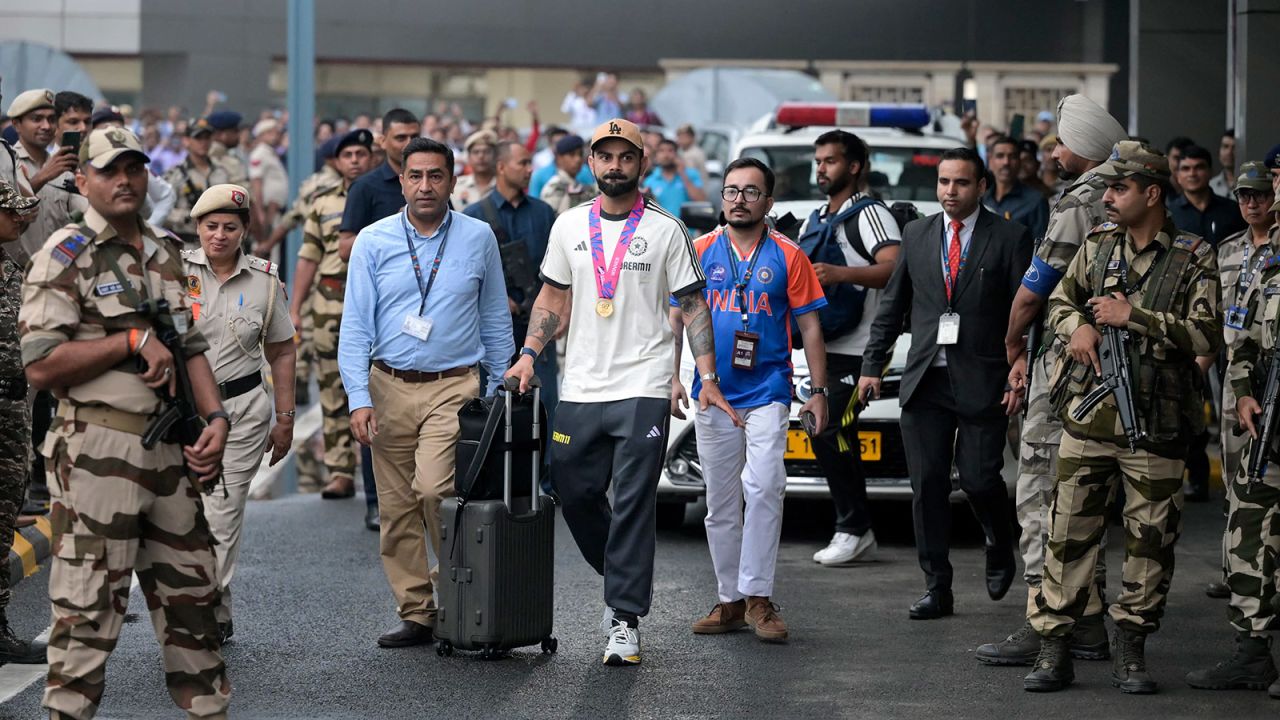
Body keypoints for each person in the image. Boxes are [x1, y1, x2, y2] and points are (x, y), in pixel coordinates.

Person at [506, 118, 738, 667]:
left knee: (633, 500)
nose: (615, 166)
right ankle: (624, 575)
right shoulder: (568, 226)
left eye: (625, 157)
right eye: (605, 157)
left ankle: (624, 619)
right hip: (582, 384)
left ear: (641, 164)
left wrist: (706, 378)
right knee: (572, 489)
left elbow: (693, 305)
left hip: (645, 383)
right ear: (592, 164)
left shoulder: (666, 229)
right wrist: (528, 355)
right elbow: (551, 299)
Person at [20, 126, 231, 719]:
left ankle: (208, 710)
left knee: (195, 601)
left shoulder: (165, 249)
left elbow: (189, 347)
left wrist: (214, 418)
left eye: (134, 168)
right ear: (82, 180)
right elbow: (40, 363)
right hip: (96, 452)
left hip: (171, 451)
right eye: (110, 170)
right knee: (89, 611)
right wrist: (128, 340)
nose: (124, 180)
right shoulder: (66, 253)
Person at [1022, 141, 1221, 694]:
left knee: (1150, 542)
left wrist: (1136, 317)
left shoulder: (1193, 255)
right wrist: (1075, 327)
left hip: (1155, 427)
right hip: (1088, 422)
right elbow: (1060, 301)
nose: (1107, 197)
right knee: (1066, 535)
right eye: (1108, 187)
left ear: (1151, 193)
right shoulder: (1098, 244)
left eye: (1119, 189)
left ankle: (1130, 648)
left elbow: (1208, 334)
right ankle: (1053, 646)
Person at [339, 136, 513, 649]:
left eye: (435, 175)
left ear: (452, 181)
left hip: (453, 387)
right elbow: (355, 326)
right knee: (394, 510)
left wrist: (501, 389)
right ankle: (417, 612)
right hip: (387, 385)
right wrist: (358, 398)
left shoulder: (478, 237)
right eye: (415, 176)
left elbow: (495, 318)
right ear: (401, 181)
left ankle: (456, 595)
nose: (425, 186)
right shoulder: (372, 240)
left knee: (436, 491)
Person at [984, 93, 1128, 666]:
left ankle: (1047, 623)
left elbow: (1033, 290)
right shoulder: (1124, 196)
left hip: (1066, 362)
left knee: (1041, 492)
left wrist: (1013, 342)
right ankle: (1086, 621)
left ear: (1083, 149)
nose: (1054, 151)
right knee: (1084, 495)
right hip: (1106, 364)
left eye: (1062, 141)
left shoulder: (1079, 202)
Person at [858, 147, 1031, 620]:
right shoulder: (917, 234)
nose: (949, 192)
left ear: (980, 187)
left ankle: (998, 541)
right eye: (943, 183)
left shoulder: (1011, 237)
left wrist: (1021, 365)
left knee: (978, 480)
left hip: (983, 376)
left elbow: (1027, 309)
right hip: (924, 380)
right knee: (927, 485)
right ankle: (937, 586)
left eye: (960, 183)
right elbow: (892, 306)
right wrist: (872, 366)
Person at [674, 158, 828, 642]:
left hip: (768, 391)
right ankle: (730, 602)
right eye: (732, 191)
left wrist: (818, 393)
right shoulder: (697, 251)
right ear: (722, 199)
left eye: (751, 192)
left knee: (764, 486)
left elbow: (809, 326)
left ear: (769, 202)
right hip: (711, 392)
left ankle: (760, 598)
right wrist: (670, 380)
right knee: (719, 503)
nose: (740, 199)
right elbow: (675, 322)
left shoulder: (788, 254)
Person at [181, 183, 295, 644]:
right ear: (198, 229)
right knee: (186, 513)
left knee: (221, 512)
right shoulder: (174, 274)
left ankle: (201, 611)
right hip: (182, 413)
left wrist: (285, 416)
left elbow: (282, 350)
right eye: (211, 227)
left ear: (246, 230)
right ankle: (218, 607)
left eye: (230, 227)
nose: (220, 235)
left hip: (243, 410)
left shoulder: (266, 282)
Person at [1186, 186, 1280, 700]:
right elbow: (1241, 344)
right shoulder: (1266, 264)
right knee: (1249, 529)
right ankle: (1251, 651)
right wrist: (1242, 393)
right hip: (1265, 418)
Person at [800, 129, 902, 567]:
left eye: (831, 161)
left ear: (854, 166)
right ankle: (853, 526)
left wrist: (840, 274)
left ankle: (854, 528)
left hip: (862, 350)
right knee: (827, 429)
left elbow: (894, 267)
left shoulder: (872, 215)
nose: (821, 168)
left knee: (827, 428)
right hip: (824, 346)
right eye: (818, 160)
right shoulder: (815, 217)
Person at [337, 109, 421, 519]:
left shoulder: (428, 181)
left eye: (414, 136)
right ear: (383, 141)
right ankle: (375, 502)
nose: (408, 145)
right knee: (376, 407)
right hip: (376, 301)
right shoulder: (367, 187)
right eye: (401, 137)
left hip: (420, 304)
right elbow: (344, 245)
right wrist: (388, 244)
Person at [1200, 161, 1276, 601]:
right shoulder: (1227, 250)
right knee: (1233, 477)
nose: (1252, 203)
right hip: (1233, 379)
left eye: (1261, 195)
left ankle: (1270, 578)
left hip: (1270, 376)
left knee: (1267, 480)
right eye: (1245, 196)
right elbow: (1212, 323)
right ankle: (1236, 570)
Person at [292, 130, 375, 523]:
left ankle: (377, 468)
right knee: (331, 383)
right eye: (348, 154)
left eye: (362, 153)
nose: (355, 160)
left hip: (377, 301)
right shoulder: (321, 203)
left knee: (378, 384)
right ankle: (340, 470)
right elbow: (309, 256)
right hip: (330, 299)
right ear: (337, 161)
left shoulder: (384, 196)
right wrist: (294, 308)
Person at [462, 140, 560, 416]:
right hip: (491, 328)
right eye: (523, 163)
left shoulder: (543, 213)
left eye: (531, 163)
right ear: (502, 167)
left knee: (543, 404)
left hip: (538, 323)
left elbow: (558, 268)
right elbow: (466, 273)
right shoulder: (474, 216)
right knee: (493, 404)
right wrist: (497, 298)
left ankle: (544, 461)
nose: (530, 169)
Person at [0, 181, 47, 663]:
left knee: (3, 514)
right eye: (11, 214)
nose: (20, 221)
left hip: (12, 406)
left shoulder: (15, 268)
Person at [7, 89, 86, 263]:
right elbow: (6, 212)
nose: (46, 126)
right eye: (36, 119)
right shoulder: (6, 163)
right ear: (16, 124)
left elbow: (84, 214)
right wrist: (41, 178)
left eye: (51, 119)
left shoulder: (63, 167)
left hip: (58, 274)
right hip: (15, 278)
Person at [255, 135, 342, 256]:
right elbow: (294, 216)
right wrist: (268, 245)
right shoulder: (324, 185)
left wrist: (268, 245)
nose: (353, 160)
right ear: (331, 159)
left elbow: (291, 217)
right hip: (326, 251)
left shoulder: (329, 181)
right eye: (345, 155)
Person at [90, 107, 177, 227]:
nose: (114, 137)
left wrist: (151, 227)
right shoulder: (85, 162)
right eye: (106, 130)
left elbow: (166, 195)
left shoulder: (134, 164)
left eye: (119, 131)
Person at [162, 118, 232, 243]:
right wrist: (187, 216)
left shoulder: (221, 172)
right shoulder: (176, 174)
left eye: (207, 138)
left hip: (218, 243)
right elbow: (161, 210)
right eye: (198, 138)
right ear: (186, 141)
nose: (203, 142)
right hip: (188, 244)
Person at [1170, 144, 1248, 247]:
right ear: (1177, 176)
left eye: (1199, 167)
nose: (1192, 174)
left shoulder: (1234, 210)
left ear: (1211, 172)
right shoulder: (1169, 213)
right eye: (1186, 168)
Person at [984, 135, 1050, 239]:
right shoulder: (983, 199)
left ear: (1019, 162)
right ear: (990, 161)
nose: (1006, 162)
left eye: (1012, 156)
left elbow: (1040, 247)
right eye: (1000, 156)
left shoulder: (1036, 201)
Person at [540, 134, 599, 214]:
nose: (578, 159)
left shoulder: (574, 183)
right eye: (572, 155)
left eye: (580, 154)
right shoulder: (555, 186)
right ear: (559, 158)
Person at [248, 119, 288, 236]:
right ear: (261, 135)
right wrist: (259, 212)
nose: (275, 136)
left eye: (276, 132)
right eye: (270, 133)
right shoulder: (259, 154)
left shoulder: (270, 153)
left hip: (275, 209)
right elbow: (256, 182)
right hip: (267, 210)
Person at [644, 138, 707, 212]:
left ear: (677, 154)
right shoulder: (650, 180)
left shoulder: (691, 174)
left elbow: (701, 201)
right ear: (656, 156)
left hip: (687, 223)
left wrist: (683, 174)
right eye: (661, 151)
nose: (666, 155)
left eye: (670, 150)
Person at [452, 129, 497, 209]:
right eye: (476, 152)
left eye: (486, 152)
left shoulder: (503, 186)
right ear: (468, 157)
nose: (481, 156)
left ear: (495, 156)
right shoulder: (456, 186)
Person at [207, 110, 249, 186]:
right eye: (235, 131)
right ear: (220, 134)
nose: (238, 135)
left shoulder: (227, 154)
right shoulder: (215, 156)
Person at [1210, 129, 1237, 197]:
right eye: (1225, 146)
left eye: (1234, 148)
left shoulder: (1249, 185)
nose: (1229, 152)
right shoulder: (1211, 185)